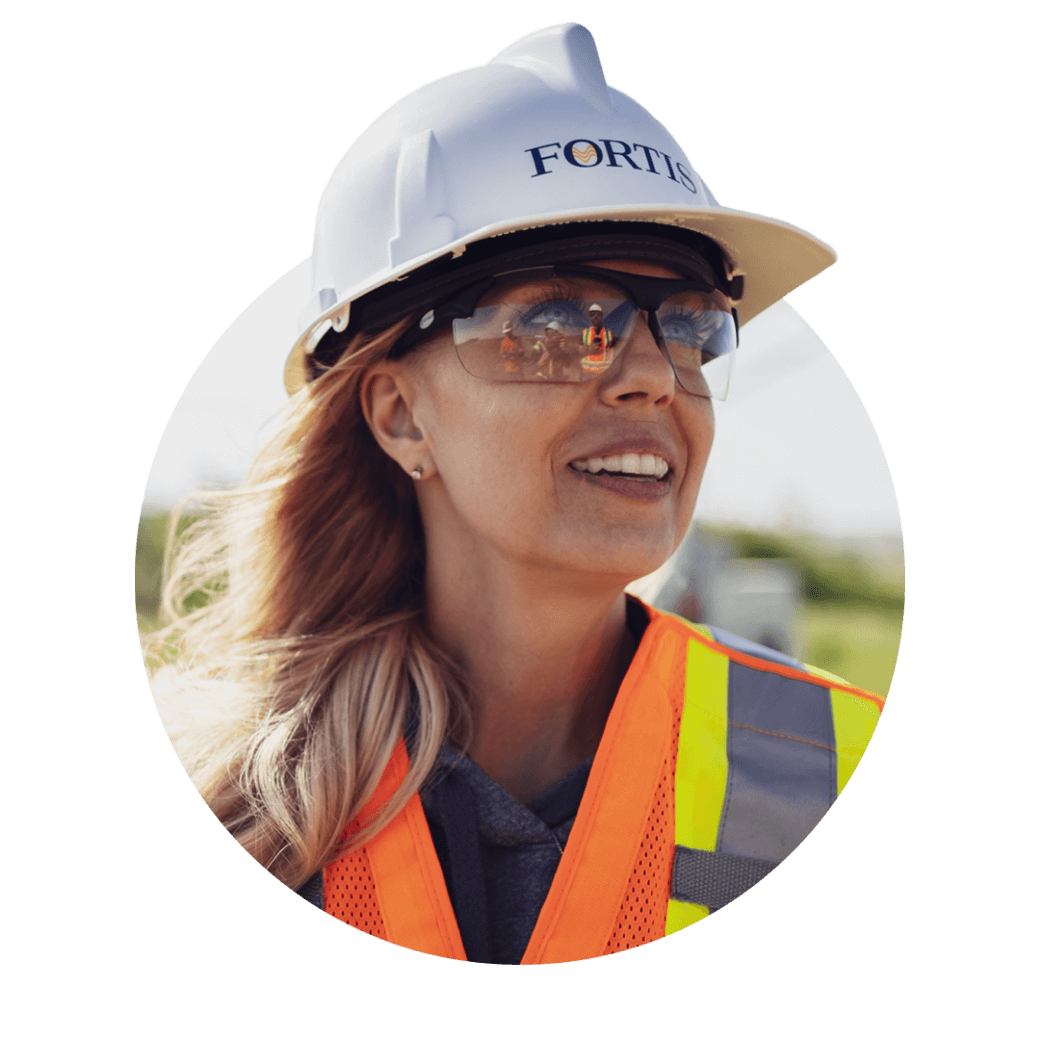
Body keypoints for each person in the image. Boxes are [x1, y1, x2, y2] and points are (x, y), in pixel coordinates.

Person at [146, 23, 884, 964]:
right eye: (554, 323)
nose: (655, 375)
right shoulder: (234, 798)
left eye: (693, 325)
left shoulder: (835, 761)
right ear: (401, 415)